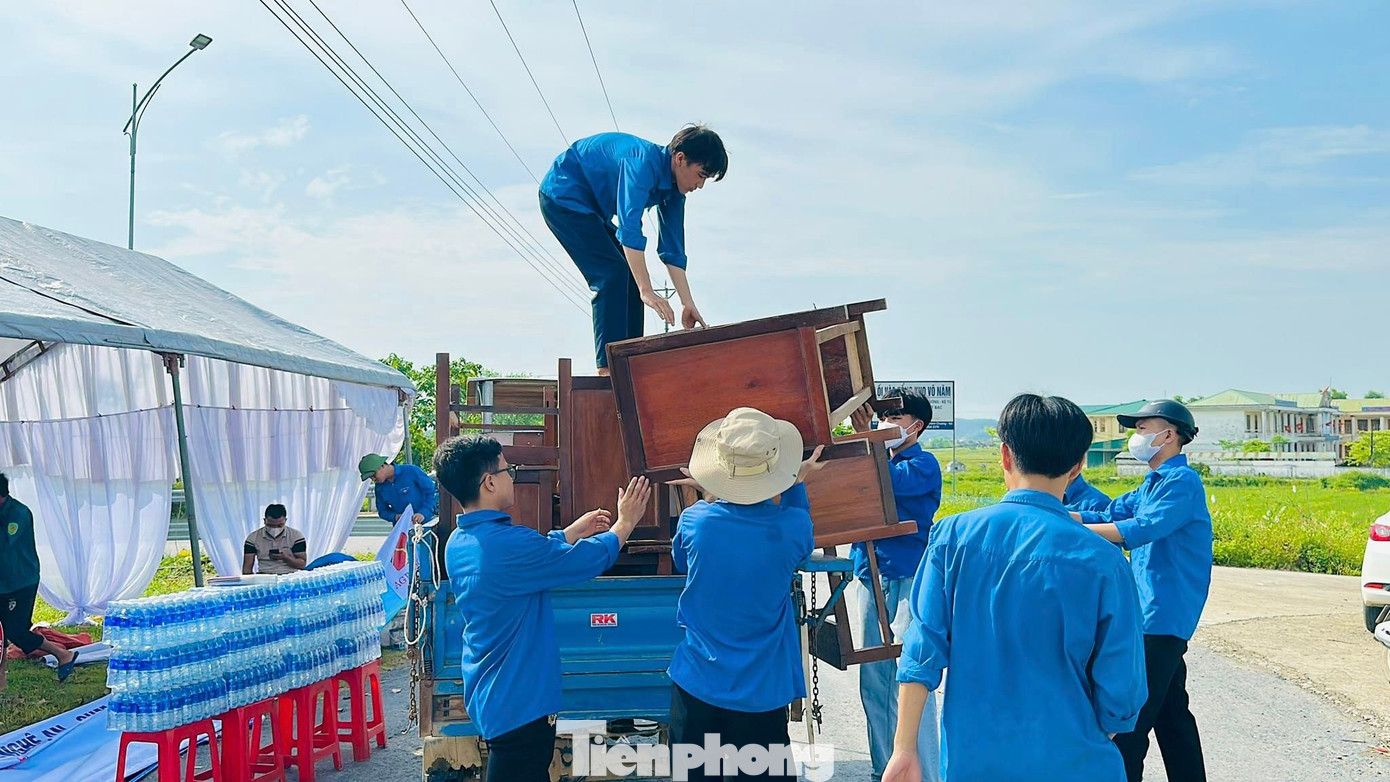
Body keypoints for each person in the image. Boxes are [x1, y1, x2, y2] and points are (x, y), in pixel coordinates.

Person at [883, 394, 1147, 782]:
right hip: (1077, 762)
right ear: (1078, 465)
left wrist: (905, 749)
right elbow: (1122, 686)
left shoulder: (952, 537)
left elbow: (920, 650)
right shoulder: (1104, 559)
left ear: (1005, 455)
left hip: (974, 763)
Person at [439, 435, 651, 782]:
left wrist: (569, 533)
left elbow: (529, 558)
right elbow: (583, 561)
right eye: (508, 471)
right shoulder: (508, 547)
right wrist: (625, 523)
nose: (512, 477)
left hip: (495, 697)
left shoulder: (460, 543)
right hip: (519, 705)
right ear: (489, 482)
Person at [666, 408, 825, 781]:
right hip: (762, 691)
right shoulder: (793, 526)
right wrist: (796, 482)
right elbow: (801, 545)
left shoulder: (695, 520)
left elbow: (681, 560)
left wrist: (709, 492)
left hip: (698, 683)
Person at [1074, 399, 1213, 782]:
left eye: (1141, 429)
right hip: (1152, 614)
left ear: (1167, 435)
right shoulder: (1153, 483)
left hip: (1162, 616)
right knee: (1172, 716)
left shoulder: (1182, 483)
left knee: (1130, 725)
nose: (1135, 437)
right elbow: (1109, 514)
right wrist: (1054, 512)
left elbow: (1141, 529)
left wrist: (1069, 530)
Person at [539, 126, 728, 373]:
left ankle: (630, 363)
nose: (700, 185)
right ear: (680, 159)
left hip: (594, 210)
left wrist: (687, 302)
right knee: (613, 273)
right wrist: (646, 290)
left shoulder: (675, 192)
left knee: (630, 276)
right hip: (563, 195)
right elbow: (629, 229)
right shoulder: (641, 164)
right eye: (700, 175)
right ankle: (608, 369)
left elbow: (673, 250)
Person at [848, 391, 943, 782]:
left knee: (911, 673)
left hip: (909, 575)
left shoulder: (923, 464)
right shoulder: (874, 456)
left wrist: (868, 437)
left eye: (894, 417)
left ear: (916, 426)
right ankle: (883, 769)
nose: (885, 423)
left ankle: (925, 773)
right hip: (871, 575)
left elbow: (888, 482)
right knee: (874, 678)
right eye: (882, 416)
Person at [0, 472, 79, 690]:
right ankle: (1, 681)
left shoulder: (19, 514)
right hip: (3, 584)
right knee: (1, 633)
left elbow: (5, 544)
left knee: (16, 631)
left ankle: (63, 654)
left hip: (21, 583)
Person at [360, 454, 438, 524]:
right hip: (402, 528)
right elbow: (382, 511)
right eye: (370, 478)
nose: (373, 479)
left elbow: (432, 492)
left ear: (382, 466)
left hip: (427, 523)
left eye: (374, 475)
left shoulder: (411, 471)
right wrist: (395, 517)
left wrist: (424, 513)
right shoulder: (379, 487)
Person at [242, 503, 307, 575]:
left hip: (290, 575)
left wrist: (286, 558)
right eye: (271, 525)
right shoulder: (253, 538)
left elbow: (302, 564)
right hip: (265, 575)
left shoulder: (296, 536)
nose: (275, 529)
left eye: (279, 525)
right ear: (264, 521)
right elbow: (247, 568)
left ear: (285, 520)